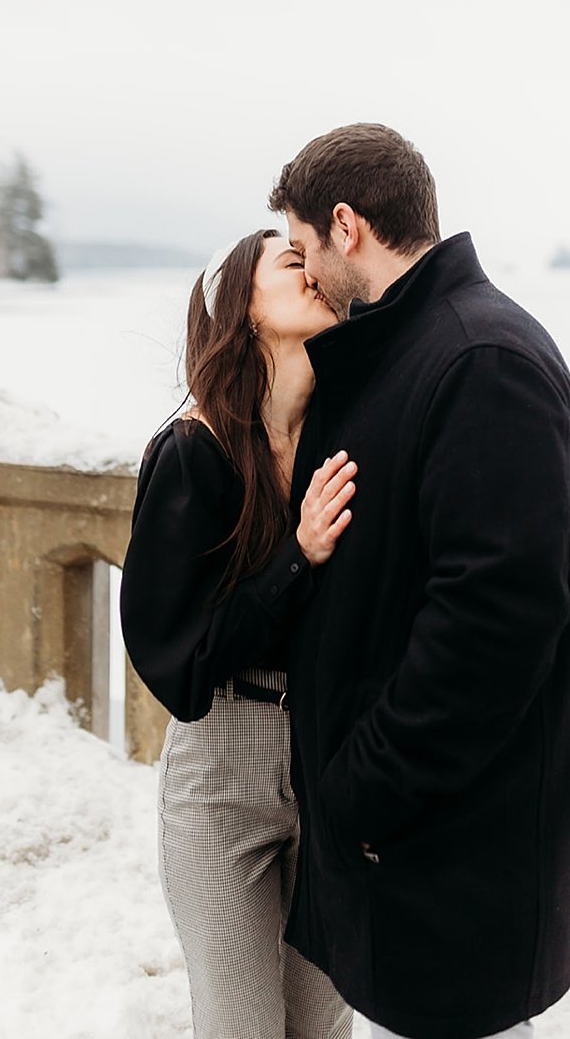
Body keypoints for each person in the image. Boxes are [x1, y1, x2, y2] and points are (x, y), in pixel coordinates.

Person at [270, 123, 570, 1039]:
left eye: (303, 251)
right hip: (407, 854)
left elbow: (493, 624)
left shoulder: (481, 362)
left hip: (451, 856)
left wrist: (362, 792)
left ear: (347, 226)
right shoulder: (410, 353)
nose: (306, 275)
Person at [121, 228, 356, 1039]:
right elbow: (178, 664)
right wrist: (297, 558)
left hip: (331, 762)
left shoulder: (345, 442)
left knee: (323, 1029)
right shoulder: (193, 453)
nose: (316, 272)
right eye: (292, 263)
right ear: (244, 309)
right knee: (241, 1028)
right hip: (224, 767)